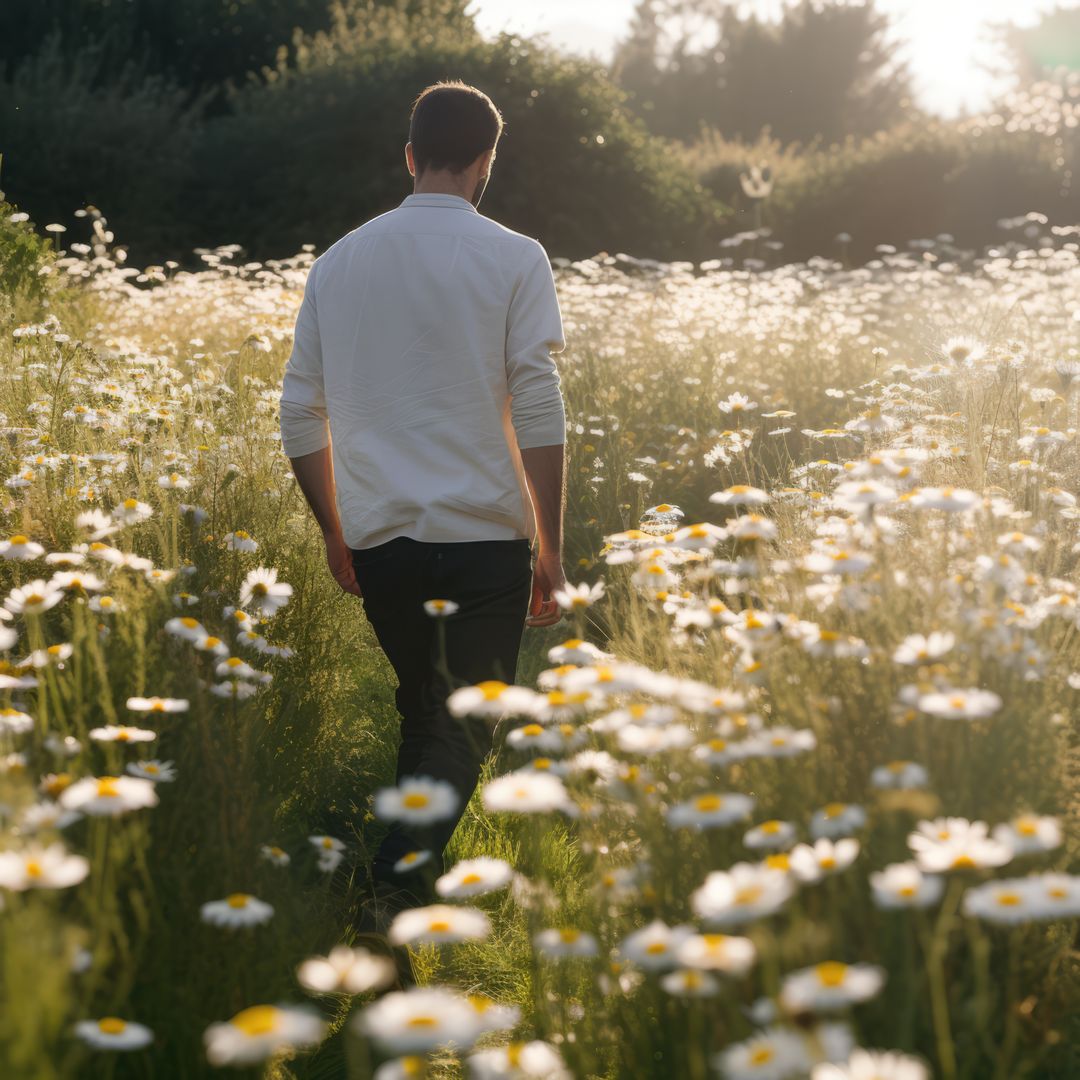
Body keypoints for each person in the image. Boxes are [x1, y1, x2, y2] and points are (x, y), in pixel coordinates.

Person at [277, 80, 568, 966]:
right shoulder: (518, 258)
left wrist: (336, 529)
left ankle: (392, 909)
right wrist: (550, 545)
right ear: (485, 164)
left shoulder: (339, 262)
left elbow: (298, 414)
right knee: (463, 726)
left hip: (382, 540)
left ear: (410, 156)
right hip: (485, 538)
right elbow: (539, 400)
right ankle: (396, 889)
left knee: (425, 714)